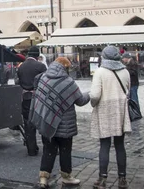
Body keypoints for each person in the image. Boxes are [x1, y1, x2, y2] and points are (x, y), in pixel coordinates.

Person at [30, 57, 89, 188]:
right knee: (65, 150)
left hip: (47, 121)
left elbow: (39, 100)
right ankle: (66, 177)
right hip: (65, 125)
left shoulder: (43, 79)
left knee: (48, 150)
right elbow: (80, 101)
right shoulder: (68, 82)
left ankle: (44, 178)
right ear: (65, 67)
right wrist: (90, 94)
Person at [89, 46, 131, 189]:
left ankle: (102, 178)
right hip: (120, 110)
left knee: (105, 145)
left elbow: (94, 95)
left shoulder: (100, 72)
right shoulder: (125, 71)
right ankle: (122, 178)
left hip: (105, 109)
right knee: (120, 146)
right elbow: (128, 90)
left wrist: (93, 103)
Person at [17, 46, 47, 156]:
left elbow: (19, 82)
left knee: (28, 124)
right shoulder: (41, 66)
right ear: (37, 56)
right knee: (43, 123)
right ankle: (48, 148)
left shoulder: (21, 67)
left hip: (26, 98)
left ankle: (31, 150)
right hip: (39, 98)